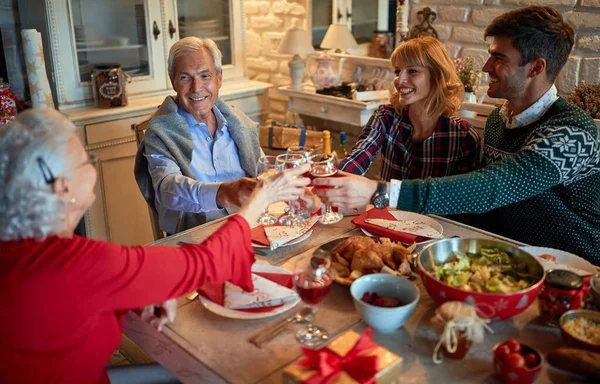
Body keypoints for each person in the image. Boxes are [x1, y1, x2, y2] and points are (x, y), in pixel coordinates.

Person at [0, 109, 310, 383]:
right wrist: (260, 201)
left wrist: (133, 292)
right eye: (86, 160)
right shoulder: (73, 263)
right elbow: (205, 262)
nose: (91, 168)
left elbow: (65, 308)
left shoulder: (23, 249)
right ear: (62, 186)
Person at [313, 6, 600, 264]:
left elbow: (494, 187)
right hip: (506, 257)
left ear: (536, 67)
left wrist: (381, 192)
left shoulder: (571, 132)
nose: (486, 67)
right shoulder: (498, 121)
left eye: (498, 58)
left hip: (573, 268)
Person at [134, 36, 263, 235]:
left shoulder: (239, 124)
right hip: (196, 240)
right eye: (185, 77)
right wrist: (224, 193)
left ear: (219, 77)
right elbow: (168, 189)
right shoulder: (161, 132)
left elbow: (264, 170)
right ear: (173, 81)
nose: (196, 88)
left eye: (205, 75)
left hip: (252, 231)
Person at [339, 37, 482, 180]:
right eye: (397, 71)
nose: (399, 80)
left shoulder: (463, 137)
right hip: (387, 203)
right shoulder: (385, 117)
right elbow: (359, 156)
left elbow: (462, 197)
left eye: (412, 71)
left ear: (436, 76)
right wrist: (334, 178)